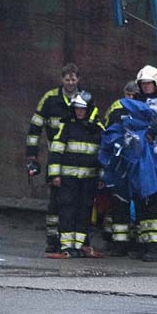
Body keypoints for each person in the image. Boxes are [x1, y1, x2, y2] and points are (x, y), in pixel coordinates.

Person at [104, 65, 157, 261]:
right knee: (141, 204)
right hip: (136, 161)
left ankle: (156, 248)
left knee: (156, 205)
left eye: (149, 83)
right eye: (143, 84)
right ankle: (143, 246)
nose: (146, 87)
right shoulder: (132, 102)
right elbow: (117, 119)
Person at [27, 63, 96, 253]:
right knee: (57, 201)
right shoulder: (50, 99)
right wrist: (32, 155)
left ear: (78, 79)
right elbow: (35, 127)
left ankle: (80, 241)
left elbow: (94, 125)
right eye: (67, 79)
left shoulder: (85, 99)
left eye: (74, 79)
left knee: (80, 203)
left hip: (80, 159)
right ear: (61, 79)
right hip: (56, 155)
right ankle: (53, 238)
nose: (71, 82)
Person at [46, 93, 106, 258]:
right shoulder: (66, 127)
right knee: (67, 210)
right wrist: (55, 175)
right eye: (77, 109)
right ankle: (66, 247)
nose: (79, 112)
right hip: (68, 178)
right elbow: (56, 152)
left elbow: (104, 156)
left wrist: (101, 177)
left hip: (89, 179)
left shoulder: (98, 130)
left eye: (82, 109)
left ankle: (79, 246)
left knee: (84, 211)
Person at [101, 80, 139, 256]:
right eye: (129, 94)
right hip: (120, 160)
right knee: (118, 202)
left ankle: (132, 240)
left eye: (134, 95)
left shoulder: (143, 106)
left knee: (136, 202)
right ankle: (117, 241)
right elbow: (110, 130)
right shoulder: (117, 107)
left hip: (137, 160)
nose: (131, 98)